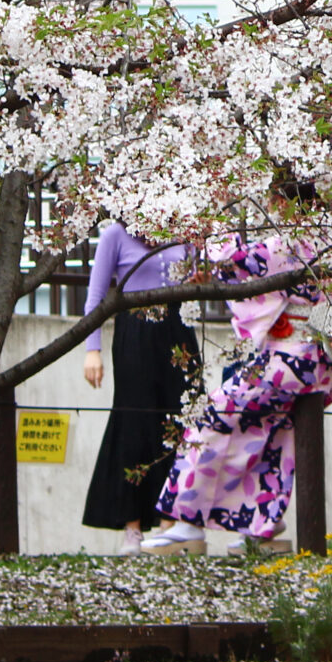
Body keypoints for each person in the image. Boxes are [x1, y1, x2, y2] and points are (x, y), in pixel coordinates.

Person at [145, 187, 332, 552]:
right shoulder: (330, 237)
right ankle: (262, 524)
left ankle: (187, 520)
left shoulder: (291, 242)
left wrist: (213, 224)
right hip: (323, 360)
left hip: (293, 357)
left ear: (285, 200)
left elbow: (240, 262)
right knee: (275, 433)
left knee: (216, 412)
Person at [78, 219, 198, 553]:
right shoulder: (116, 233)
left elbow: (198, 279)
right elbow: (96, 296)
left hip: (178, 330)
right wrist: (93, 350)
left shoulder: (184, 229)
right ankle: (132, 527)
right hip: (136, 330)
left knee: (182, 419)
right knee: (134, 422)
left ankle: (170, 522)